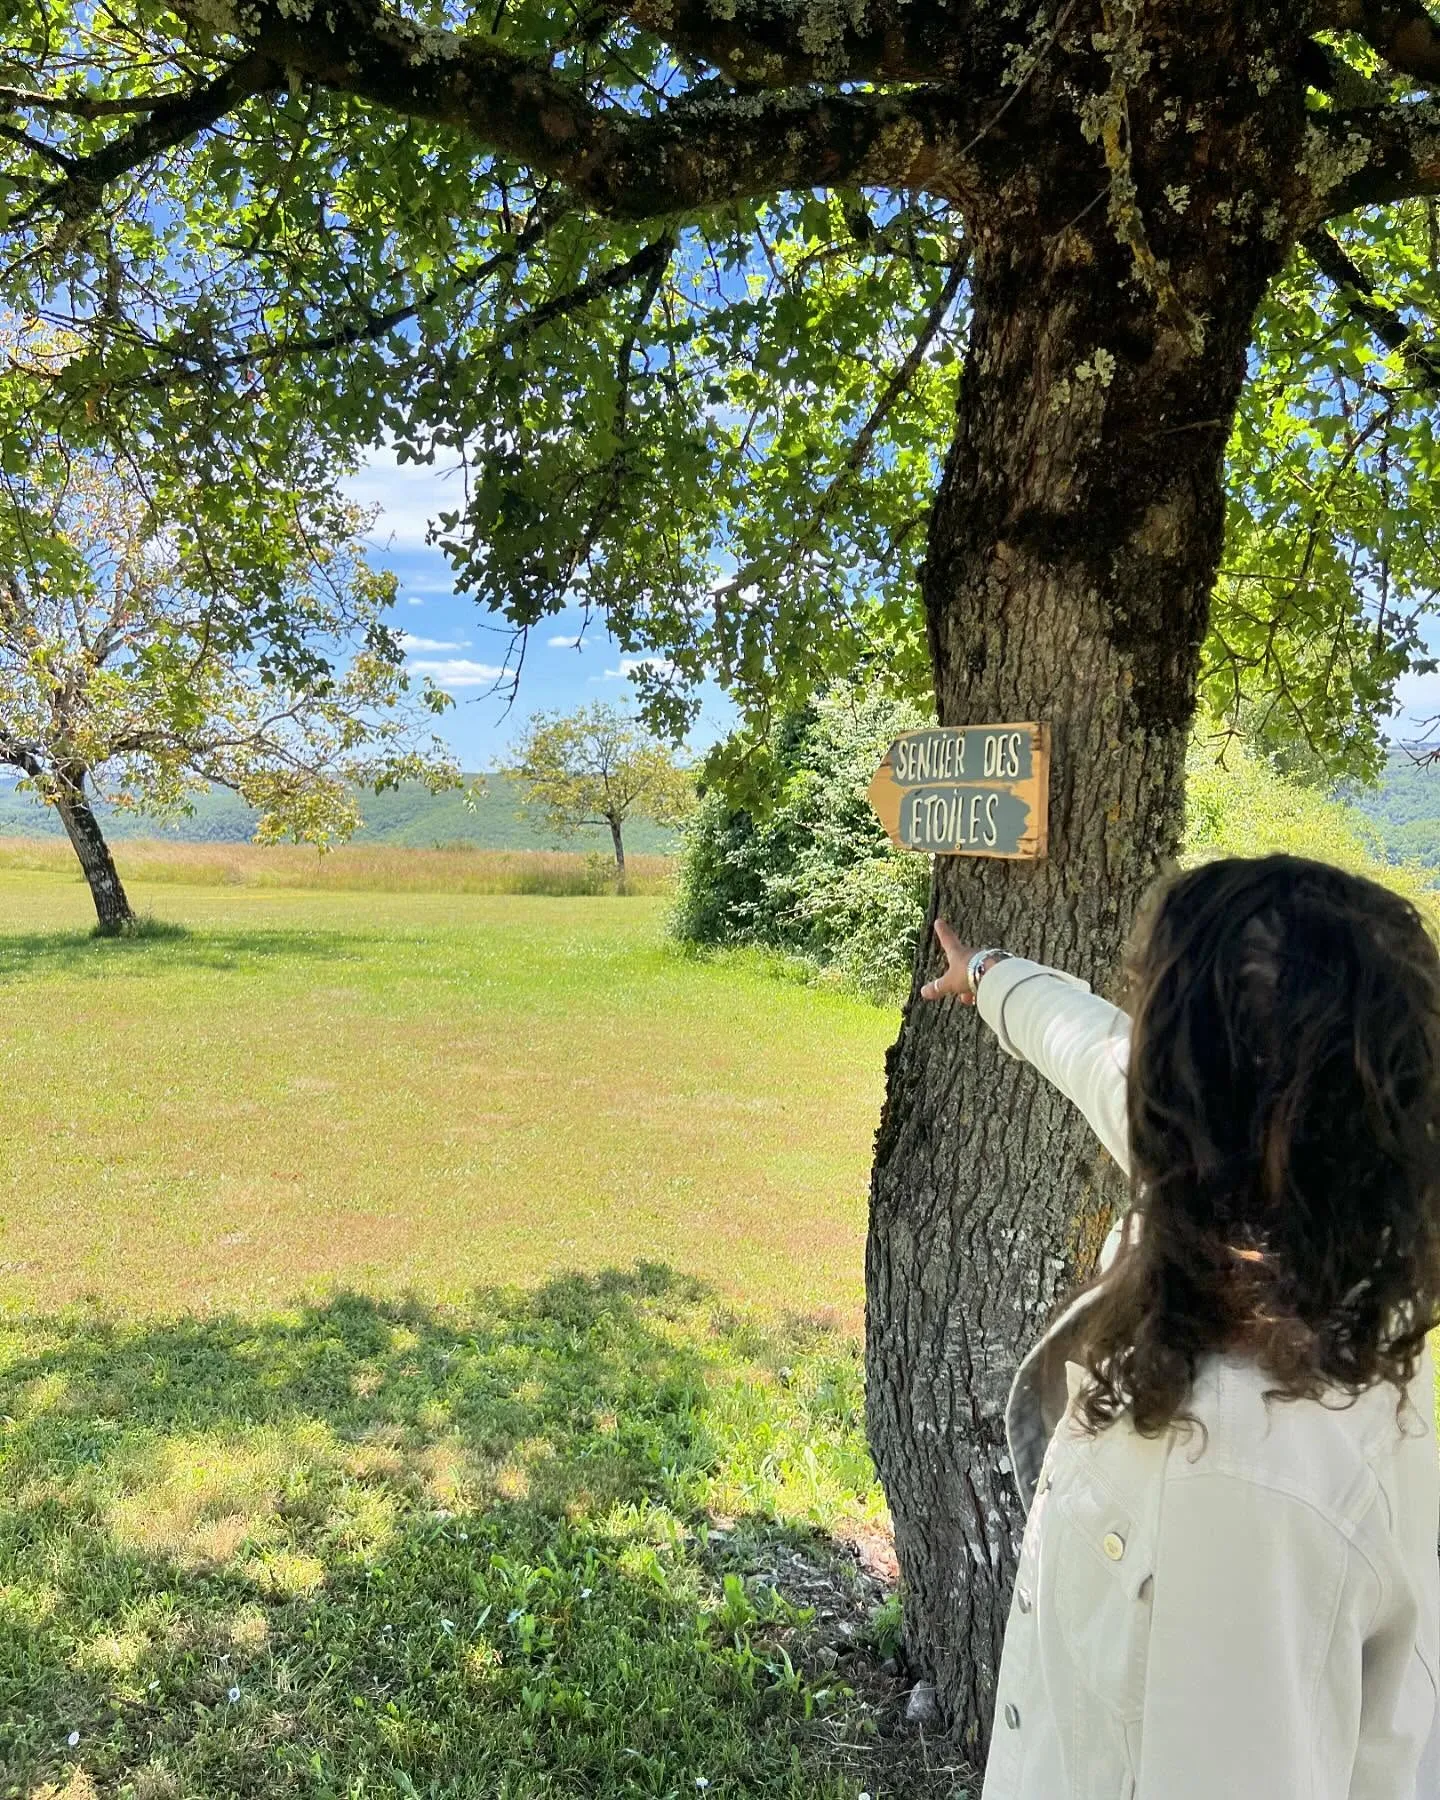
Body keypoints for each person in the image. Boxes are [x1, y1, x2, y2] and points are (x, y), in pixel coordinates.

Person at [920, 854, 1440, 1800]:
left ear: (1191, 1097)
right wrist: (991, 977)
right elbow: (1093, 1049)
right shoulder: (1303, 1218)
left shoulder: (1243, 1479)